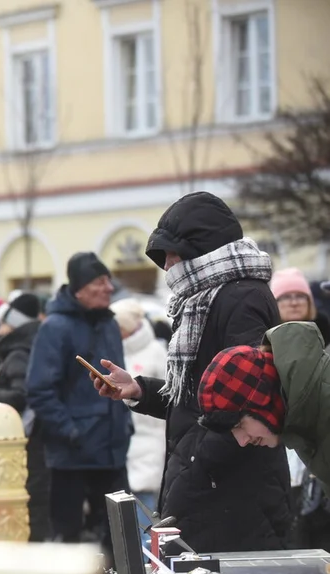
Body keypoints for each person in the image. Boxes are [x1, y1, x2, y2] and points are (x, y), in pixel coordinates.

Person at [92, 191, 291, 553]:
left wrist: (192, 467)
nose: (167, 266)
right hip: (210, 483)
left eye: (172, 253)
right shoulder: (203, 298)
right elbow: (197, 397)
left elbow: (243, 402)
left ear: (201, 248)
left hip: (231, 492)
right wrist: (138, 389)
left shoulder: (241, 297)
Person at [26, 252, 132, 545]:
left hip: (112, 452)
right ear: (79, 288)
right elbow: (39, 390)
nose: (109, 288)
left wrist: (125, 426)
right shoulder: (55, 328)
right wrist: (72, 432)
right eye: (100, 282)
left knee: (121, 541)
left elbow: (118, 382)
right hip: (72, 457)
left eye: (109, 281)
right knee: (69, 543)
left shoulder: (110, 324)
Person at [197, 321, 330, 487]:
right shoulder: (301, 413)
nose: (242, 441)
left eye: (239, 424)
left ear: (261, 398)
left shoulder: (320, 405)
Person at [0, 292, 50, 541]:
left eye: (3, 323)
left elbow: (19, 396)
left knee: (31, 503)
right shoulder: (27, 347)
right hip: (33, 440)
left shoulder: (18, 352)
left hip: (27, 440)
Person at [111, 298, 167, 527]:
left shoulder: (156, 351)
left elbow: (167, 390)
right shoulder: (115, 350)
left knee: (146, 504)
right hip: (124, 437)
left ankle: (148, 558)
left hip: (150, 437)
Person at [271, 268, 330, 347]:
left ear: (309, 301)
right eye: (286, 297)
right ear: (274, 303)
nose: (294, 303)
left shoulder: (325, 332)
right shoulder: (264, 341)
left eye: (300, 296)